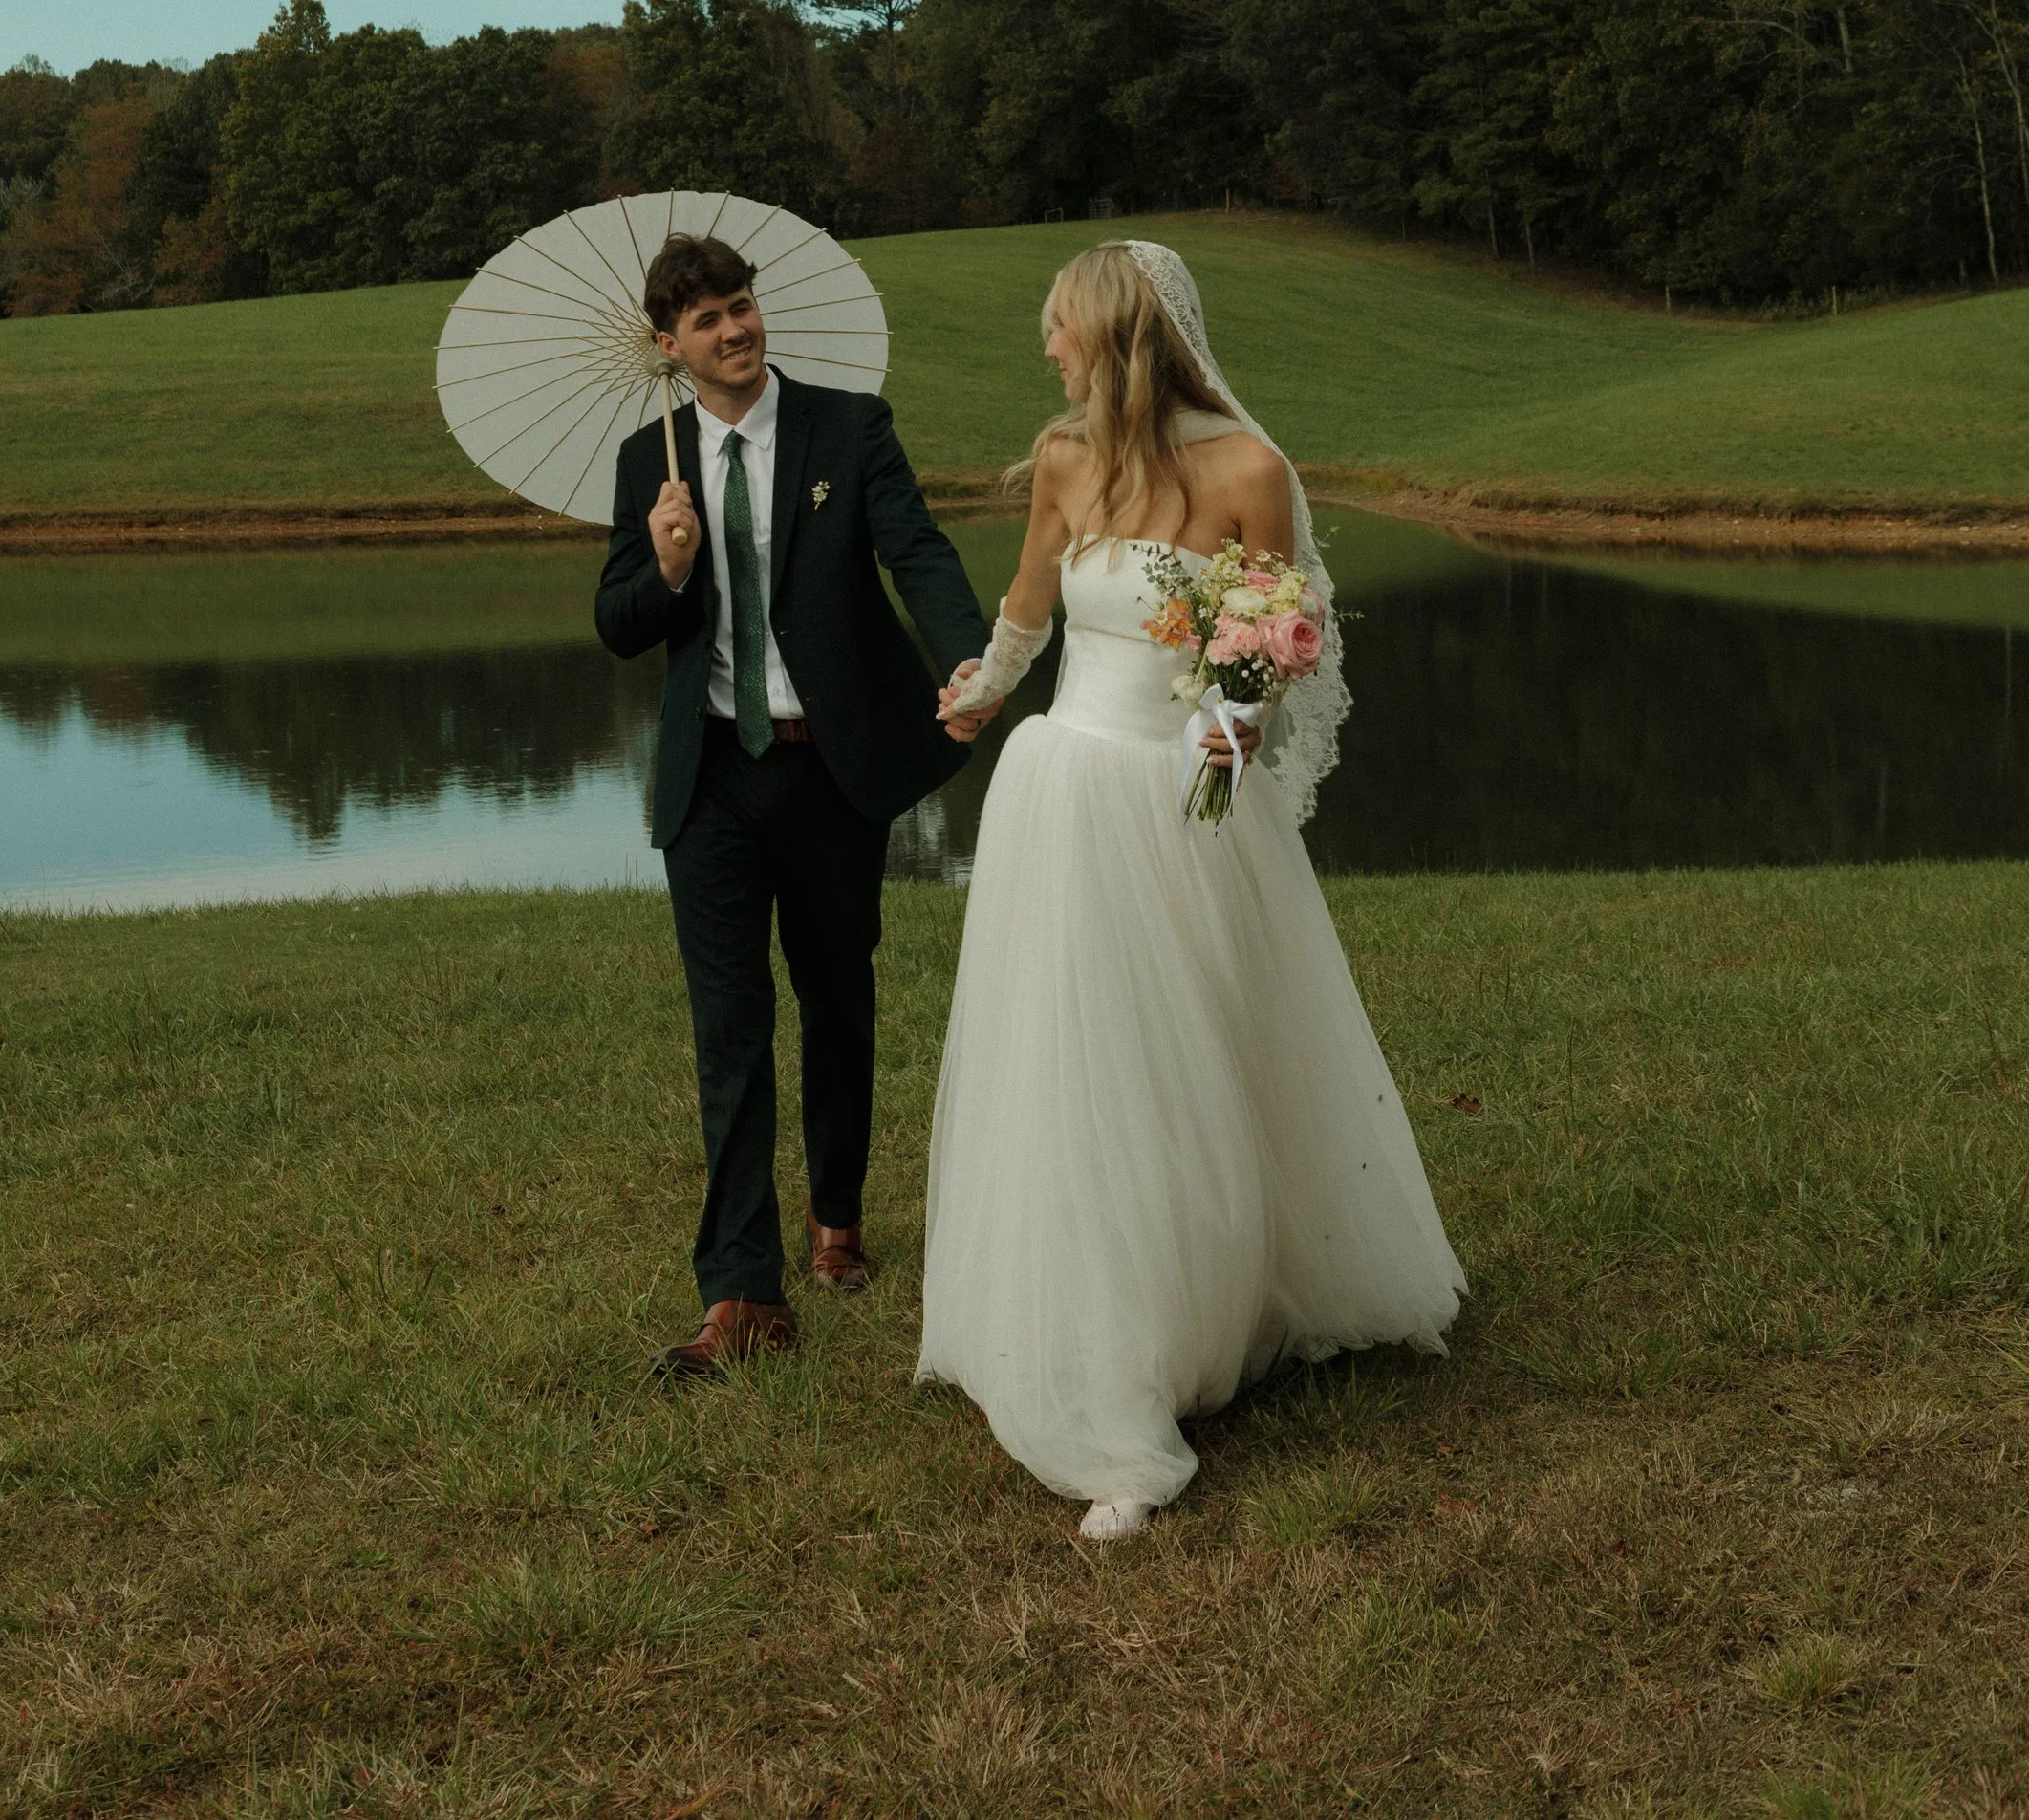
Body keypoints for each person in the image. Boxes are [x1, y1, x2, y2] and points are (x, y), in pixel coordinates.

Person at [917, 239, 1464, 1539]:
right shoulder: (1062, 460)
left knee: (1196, 1056)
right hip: (1059, 793)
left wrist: (1220, 746)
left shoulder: (1248, 471)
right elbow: (1032, 609)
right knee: (1075, 1062)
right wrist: (985, 689)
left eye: (1057, 329)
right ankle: (1101, 1335)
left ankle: (1207, 1301)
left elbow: (1263, 640)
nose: (1044, 350)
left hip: (1182, 800)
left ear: (1117, 335)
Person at [595, 228, 987, 1380]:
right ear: (669, 347)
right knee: (728, 1029)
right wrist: (666, 563)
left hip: (830, 768)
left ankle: (838, 1215)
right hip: (709, 777)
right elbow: (617, 623)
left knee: (835, 998)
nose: (735, 329)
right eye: (707, 320)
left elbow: (917, 553)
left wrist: (967, 664)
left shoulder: (847, 425)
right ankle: (741, 1292)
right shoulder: (646, 463)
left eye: (742, 306)